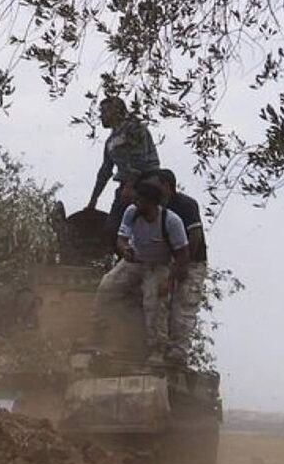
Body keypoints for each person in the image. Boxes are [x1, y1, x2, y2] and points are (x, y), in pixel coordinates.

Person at [90, 179, 190, 363]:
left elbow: (183, 255)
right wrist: (124, 250)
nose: (135, 203)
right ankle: (100, 331)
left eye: (140, 200)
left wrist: (170, 281)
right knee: (107, 286)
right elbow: (122, 238)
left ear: (151, 202)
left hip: (158, 266)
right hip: (134, 261)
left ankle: (157, 349)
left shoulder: (172, 221)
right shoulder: (131, 212)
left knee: (154, 303)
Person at [85, 96, 161, 239]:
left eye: (104, 112)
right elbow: (105, 171)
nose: (101, 116)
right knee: (112, 229)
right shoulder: (110, 141)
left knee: (147, 224)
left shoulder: (135, 128)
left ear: (115, 111)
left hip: (147, 182)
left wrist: (130, 185)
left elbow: (140, 159)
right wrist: (93, 199)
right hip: (125, 185)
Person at [155, 169, 207, 366]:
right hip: (168, 260)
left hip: (192, 262)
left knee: (183, 305)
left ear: (167, 186)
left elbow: (195, 237)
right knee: (159, 301)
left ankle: (177, 353)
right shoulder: (156, 209)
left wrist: (182, 267)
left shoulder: (186, 205)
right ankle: (160, 347)